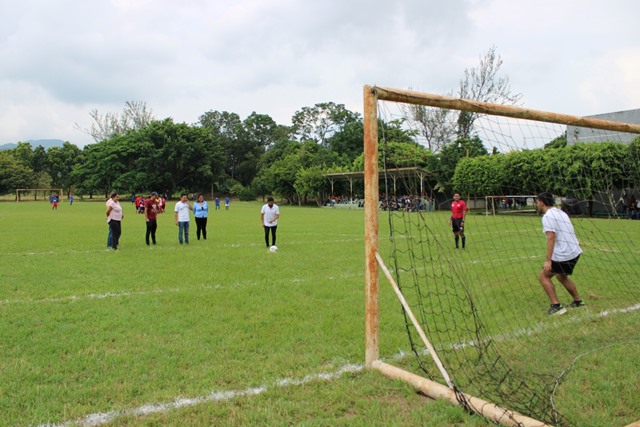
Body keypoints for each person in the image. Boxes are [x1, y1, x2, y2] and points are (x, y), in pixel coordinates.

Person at [536, 192, 585, 316]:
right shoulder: (561, 212)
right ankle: (578, 302)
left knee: (543, 276)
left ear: (541, 202)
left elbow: (551, 238)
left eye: (537, 202)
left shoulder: (547, 217)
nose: (537, 204)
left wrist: (548, 261)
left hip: (564, 254)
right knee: (561, 276)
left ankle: (556, 306)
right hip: (575, 251)